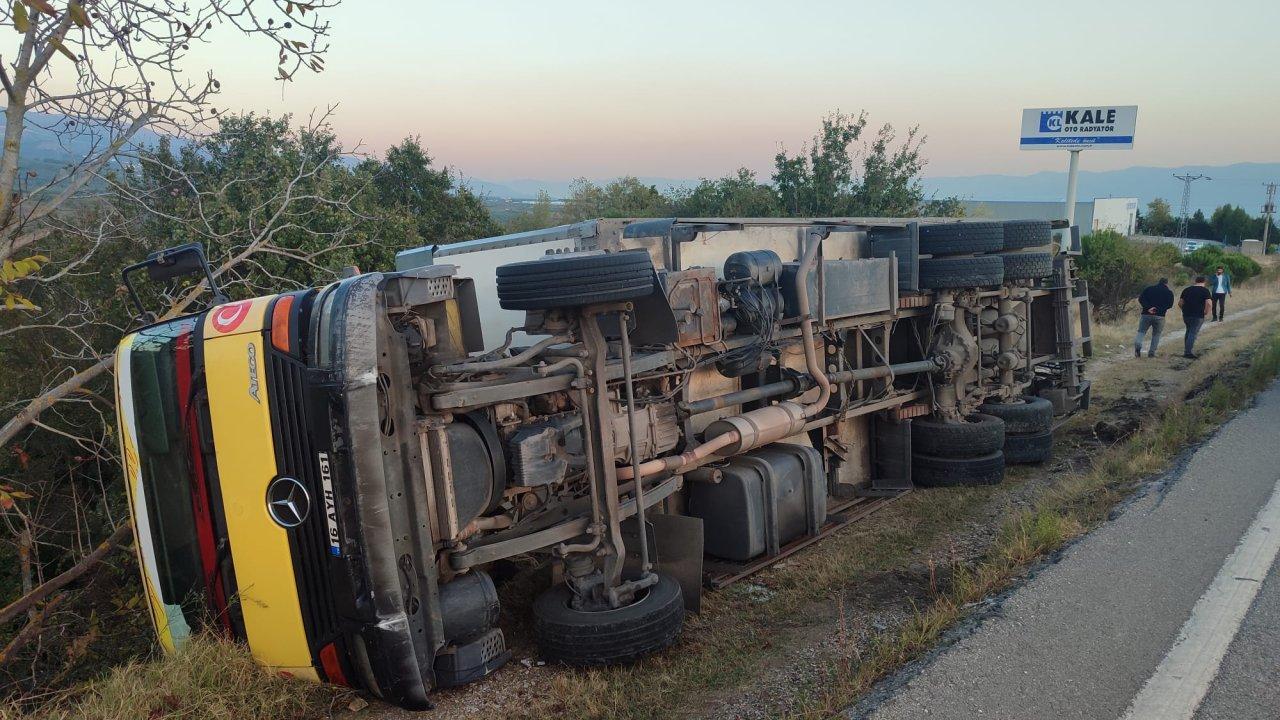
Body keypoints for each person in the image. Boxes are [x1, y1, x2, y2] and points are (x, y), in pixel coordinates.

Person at [1134, 278, 1174, 357]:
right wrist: (1158, 310)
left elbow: (1141, 299)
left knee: (1141, 332)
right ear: (1166, 284)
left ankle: (1138, 347)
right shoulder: (1169, 292)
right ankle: (1152, 353)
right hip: (1160, 316)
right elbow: (1169, 305)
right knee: (1156, 334)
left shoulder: (1149, 289)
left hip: (1146, 314)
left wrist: (1148, 308)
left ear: (1158, 282)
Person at [1178, 276, 1213, 359]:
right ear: (1204, 282)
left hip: (1186, 315)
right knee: (1193, 333)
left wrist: (1184, 310)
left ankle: (1186, 350)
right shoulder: (1205, 290)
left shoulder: (1186, 290)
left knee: (1188, 331)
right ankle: (1188, 352)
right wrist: (1206, 311)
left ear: (1195, 281)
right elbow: (1209, 303)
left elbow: (1180, 303)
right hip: (1198, 315)